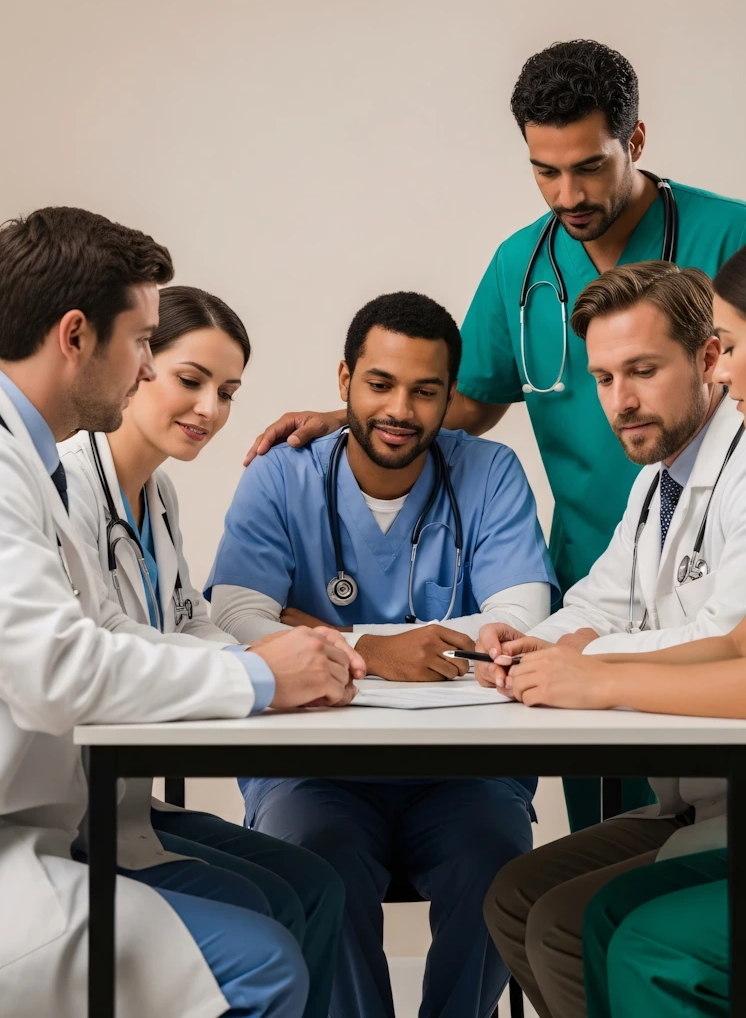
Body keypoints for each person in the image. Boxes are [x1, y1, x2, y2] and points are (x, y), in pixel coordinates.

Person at [243, 39, 746, 830]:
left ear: (635, 141)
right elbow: (468, 399)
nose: (567, 194)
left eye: (589, 166)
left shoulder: (732, 234)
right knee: (609, 823)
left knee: (705, 809)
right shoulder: (520, 264)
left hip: (724, 539)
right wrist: (356, 414)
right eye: (544, 170)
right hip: (603, 554)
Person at [0, 207, 363, 1018]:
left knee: (304, 891)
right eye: (142, 343)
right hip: (36, 830)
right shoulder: (24, 469)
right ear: (74, 336)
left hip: (56, 810)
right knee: (263, 959)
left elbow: (137, 627)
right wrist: (261, 678)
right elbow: (62, 666)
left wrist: (279, 663)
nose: (141, 371)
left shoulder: (43, 467)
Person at [485, 220, 746, 1018]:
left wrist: (595, 673)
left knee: (638, 938)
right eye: (605, 377)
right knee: (573, 910)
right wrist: (540, 653)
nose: (725, 366)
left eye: (729, 344)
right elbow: (744, 636)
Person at [205, 291, 560, 1018]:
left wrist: (311, 631)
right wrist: (378, 647)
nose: (401, 409)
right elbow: (237, 614)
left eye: (425, 391)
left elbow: (518, 620)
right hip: (314, 773)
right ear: (343, 382)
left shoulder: (490, 472)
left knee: (495, 863)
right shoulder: (282, 475)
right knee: (312, 859)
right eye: (380, 384)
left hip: (465, 773)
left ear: (448, 398)